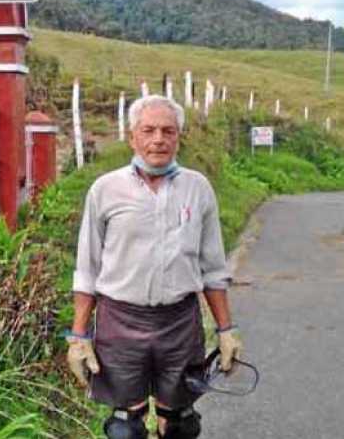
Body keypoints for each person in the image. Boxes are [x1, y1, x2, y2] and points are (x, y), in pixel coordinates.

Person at [66, 95, 243, 438]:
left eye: (168, 131)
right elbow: (87, 268)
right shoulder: (105, 189)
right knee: (124, 428)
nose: (158, 139)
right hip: (120, 321)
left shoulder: (198, 188)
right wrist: (78, 336)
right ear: (132, 137)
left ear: (178, 137)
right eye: (148, 130)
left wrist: (225, 331)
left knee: (179, 424)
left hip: (179, 321)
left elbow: (212, 268)